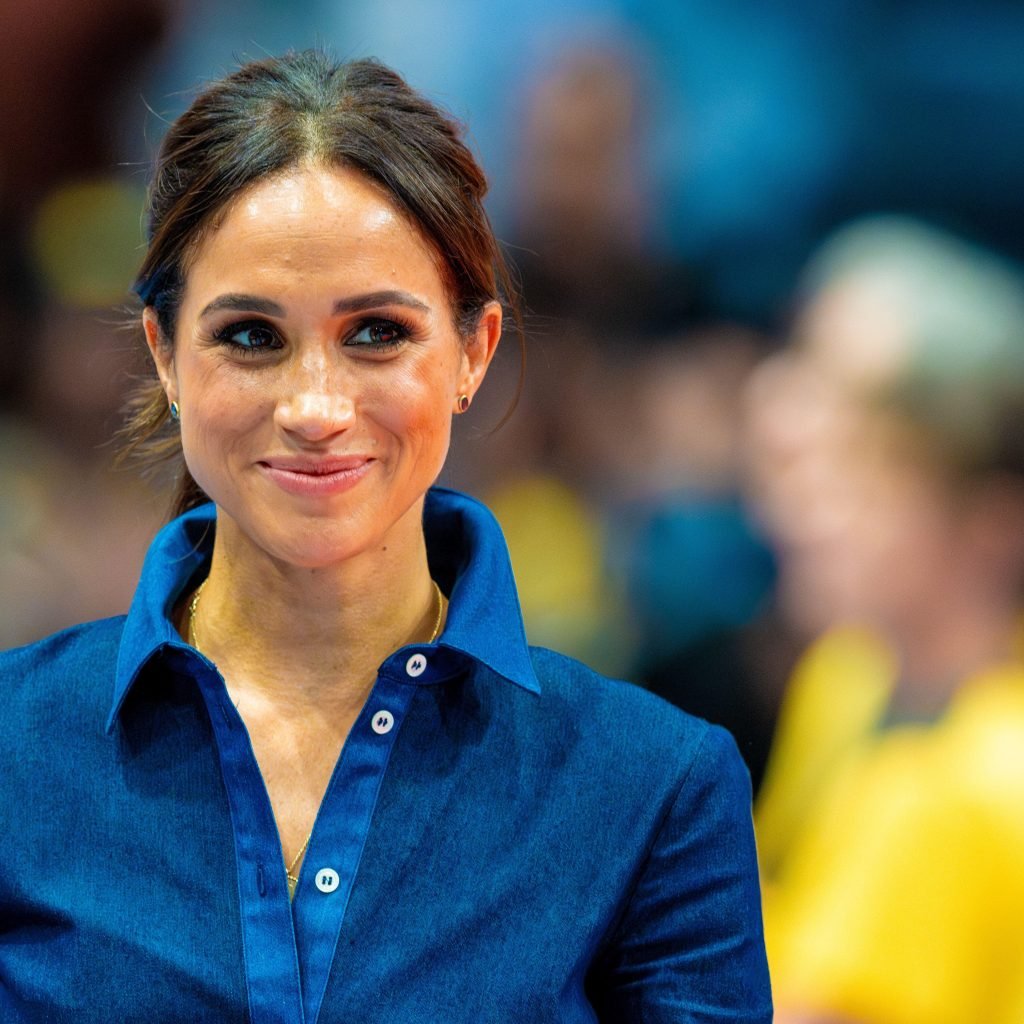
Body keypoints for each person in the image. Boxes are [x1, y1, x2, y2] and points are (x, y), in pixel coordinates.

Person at [0, 51, 771, 1023]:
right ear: (164, 354)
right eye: (250, 336)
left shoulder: (655, 788)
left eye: (376, 333)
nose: (315, 408)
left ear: (473, 351)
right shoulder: (14, 749)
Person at [746, 217, 1024, 1023]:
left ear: (993, 521)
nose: (802, 503)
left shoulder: (966, 787)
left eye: (862, 463)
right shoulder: (851, 676)